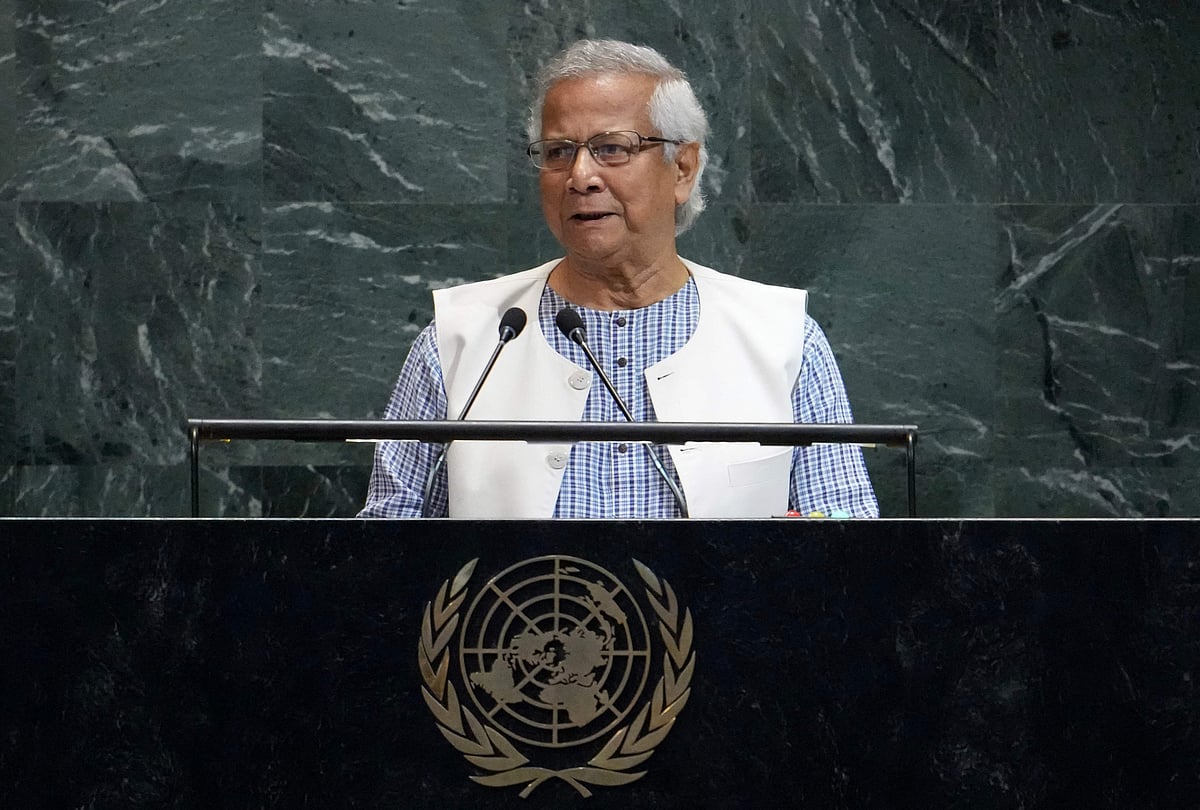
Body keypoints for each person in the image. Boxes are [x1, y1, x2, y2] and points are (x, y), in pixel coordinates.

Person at [360, 39, 878, 519]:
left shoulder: (782, 340)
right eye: (558, 152)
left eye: (612, 148)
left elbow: (848, 544)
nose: (581, 176)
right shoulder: (463, 341)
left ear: (683, 169)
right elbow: (383, 555)